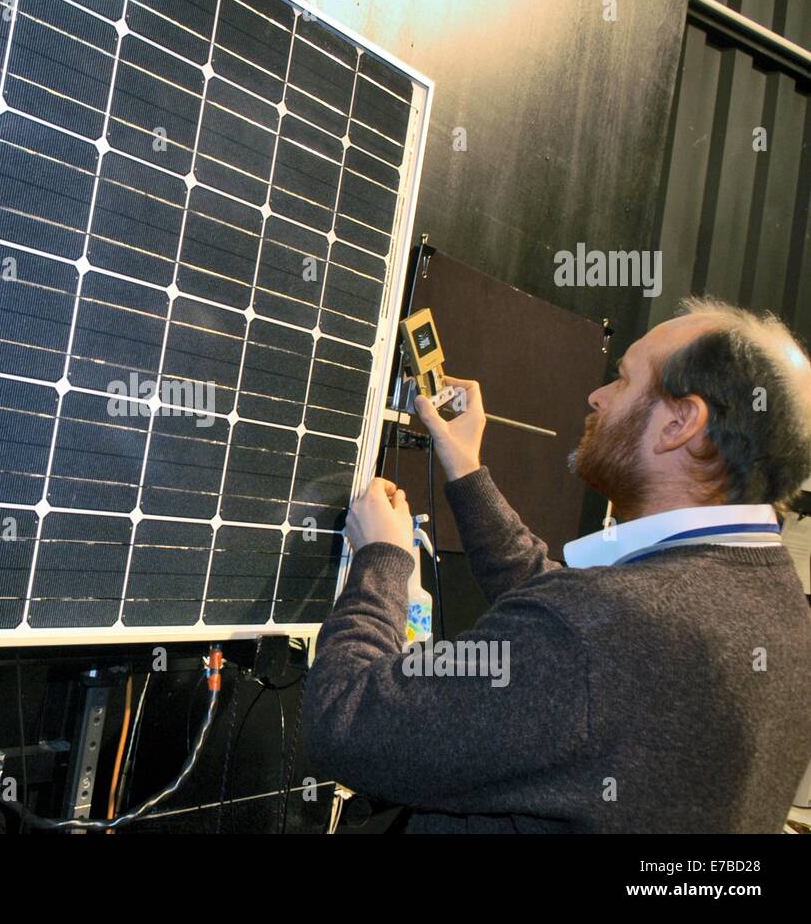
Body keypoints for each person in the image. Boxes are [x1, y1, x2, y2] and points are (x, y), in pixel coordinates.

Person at [302, 298, 811, 832]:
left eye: (623, 378)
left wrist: (383, 560)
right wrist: (465, 468)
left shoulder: (602, 630)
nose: (597, 395)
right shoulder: (780, 611)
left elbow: (348, 720)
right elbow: (570, 621)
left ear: (680, 423)